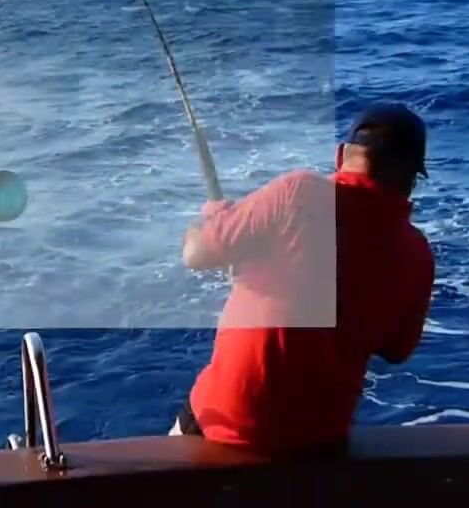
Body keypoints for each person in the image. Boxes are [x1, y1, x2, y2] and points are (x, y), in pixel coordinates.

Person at [171, 102, 436, 454]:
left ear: (341, 156)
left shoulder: (298, 192)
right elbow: (397, 349)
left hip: (224, 423)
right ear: (411, 179)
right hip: (320, 438)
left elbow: (195, 255)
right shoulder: (417, 252)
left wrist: (213, 223)